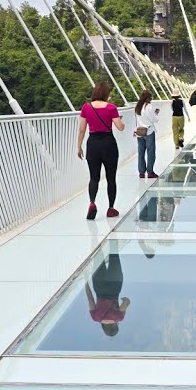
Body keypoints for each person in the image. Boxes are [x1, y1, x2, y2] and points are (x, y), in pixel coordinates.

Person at [77, 82, 125, 220]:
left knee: (94, 177)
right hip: (108, 144)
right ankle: (110, 208)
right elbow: (120, 127)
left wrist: (79, 146)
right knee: (111, 178)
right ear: (106, 94)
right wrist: (122, 122)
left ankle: (92, 203)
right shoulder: (111, 108)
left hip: (92, 144)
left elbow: (81, 129)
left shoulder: (86, 107)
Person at [84, 254, 129, 337]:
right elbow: (90, 299)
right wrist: (86, 281)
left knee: (114, 255)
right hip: (99, 287)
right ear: (104, 328)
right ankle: (95, 241)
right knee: (98, 256)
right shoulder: (95, 318)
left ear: (115, 326)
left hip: (115, 288)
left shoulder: (119, 318)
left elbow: (126, 302)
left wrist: (124, 299)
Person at [134, 91, 161, 179]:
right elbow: (154, 119)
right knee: (151, 152)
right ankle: (150, 172)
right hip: (149, 132)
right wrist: (156, 113)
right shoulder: (148, 107)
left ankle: (141, 173)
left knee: (141, 153)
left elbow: (137, 120)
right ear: (149, 98)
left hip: (140, 132)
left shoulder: (138, 107)